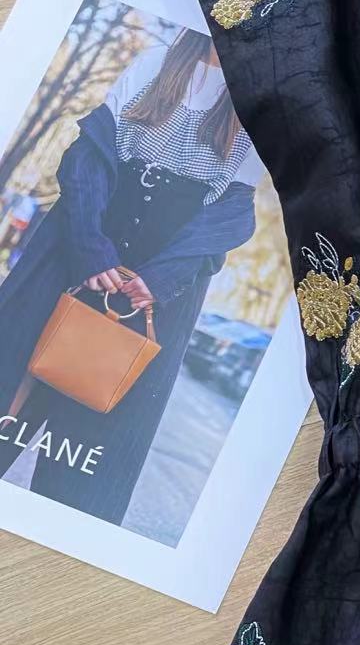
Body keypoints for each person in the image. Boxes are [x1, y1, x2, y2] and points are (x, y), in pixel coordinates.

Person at [0, 26, 262, 523]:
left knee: (93, 442)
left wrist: (161, 280)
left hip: (160, 285)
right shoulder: (154, 62)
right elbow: (87, 157)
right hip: (80, 244)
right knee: (12, 378)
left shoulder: (257, 99)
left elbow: (230, 212)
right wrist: (89, 247)